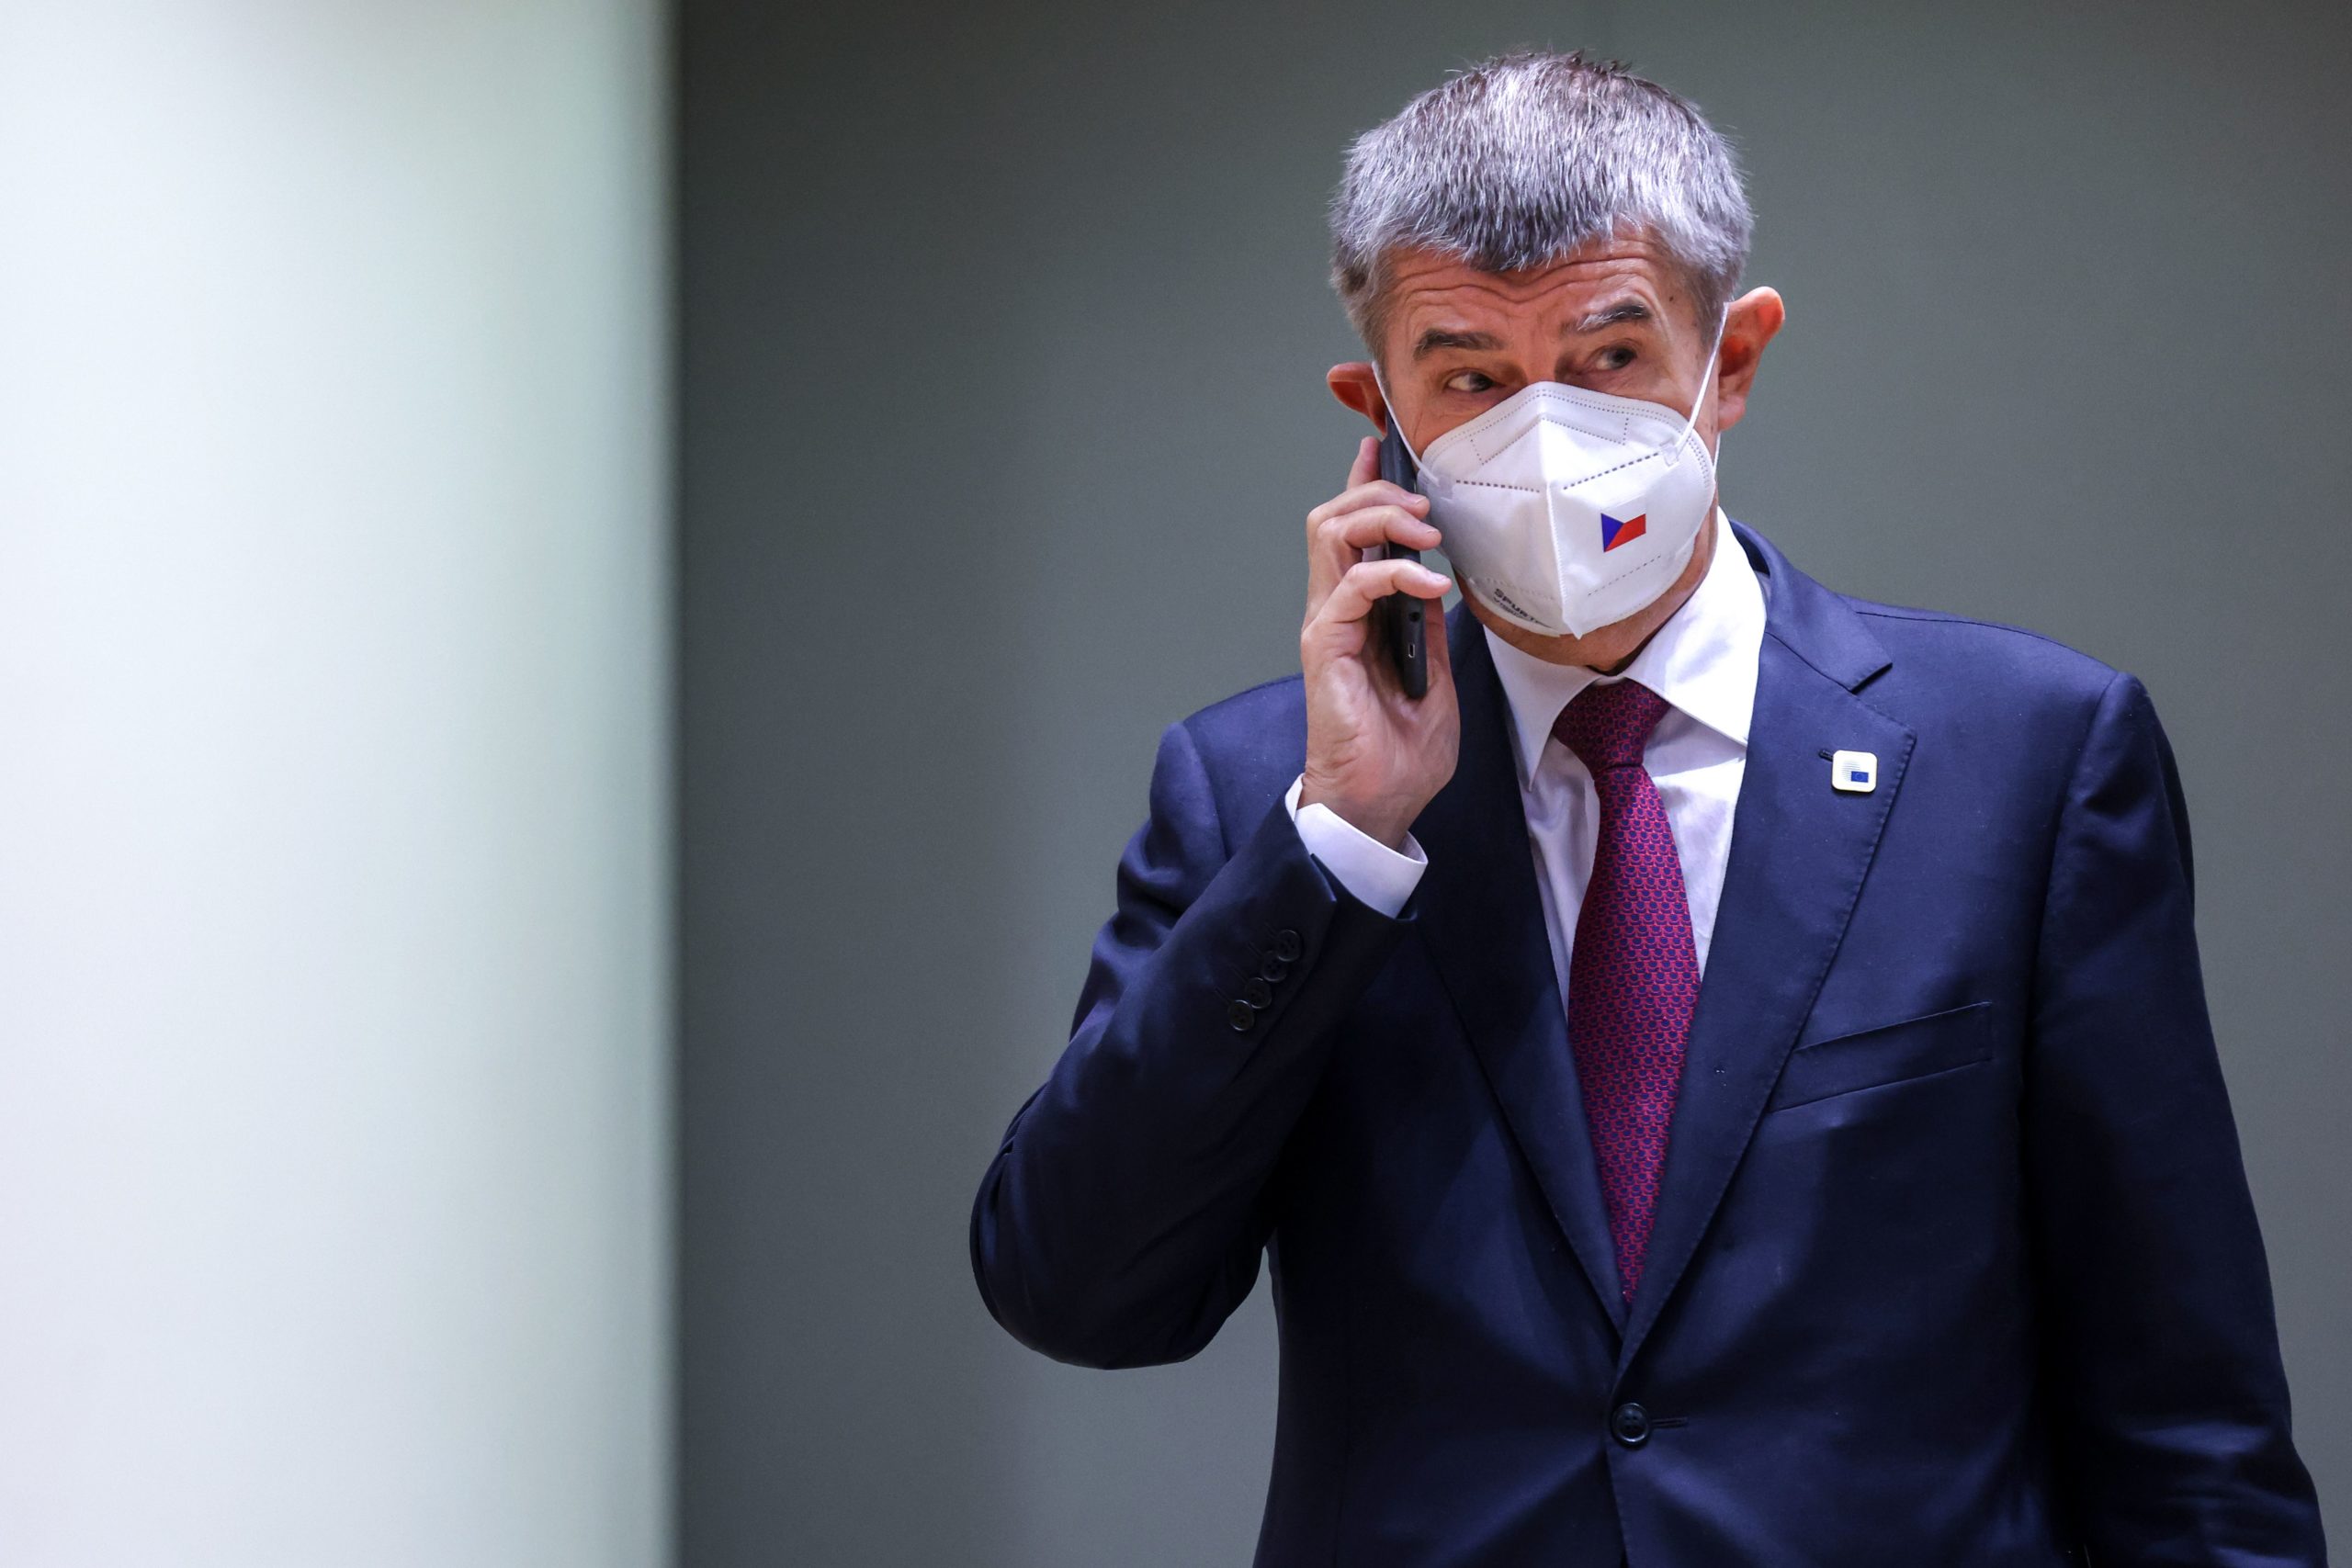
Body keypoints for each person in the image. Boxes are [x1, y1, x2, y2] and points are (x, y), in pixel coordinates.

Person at [968, 50, 2324, 1565]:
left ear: (1729, 360)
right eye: (1471, 377)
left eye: (1610, 356)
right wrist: (1342, 845)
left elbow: (2187, 1420)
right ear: (1379, 410)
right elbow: (1076, 1292)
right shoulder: (1261, 800)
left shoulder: (2027, 761)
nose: (1547, 435)